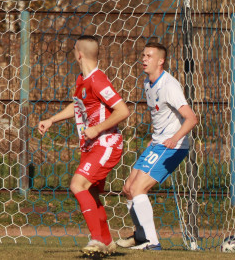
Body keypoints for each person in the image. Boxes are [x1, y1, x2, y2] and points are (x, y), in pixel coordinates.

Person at [38, 35, 130, 258]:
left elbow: (123, 111)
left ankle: (97, 240)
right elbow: (78, 107)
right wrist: (52, 120)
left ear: (79, 54)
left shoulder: (98, 80)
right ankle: (107, 241)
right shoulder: (82, 80)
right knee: (90, 192)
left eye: (73, 49)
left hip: (106, 144)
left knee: (77, 184)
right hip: (91, 146)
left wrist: (97, 129)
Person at [116, 41, 198, 251]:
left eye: (149, 56)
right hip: (158, 143)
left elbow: (191, 118)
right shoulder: (147, 83)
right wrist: (156, 136)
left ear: (161, 61)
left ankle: (152, 242)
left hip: (173, 146)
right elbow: (160, 114)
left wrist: (173, 137)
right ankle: (141, 236)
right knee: (128, 189)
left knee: (138, 188)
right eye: (143, 55)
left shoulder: (169, 85)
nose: (144, 59)